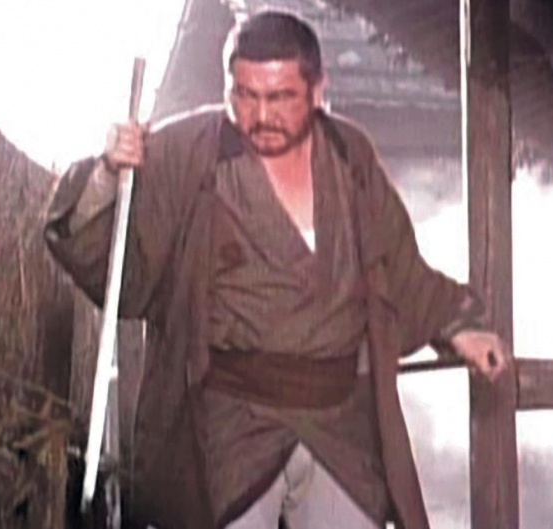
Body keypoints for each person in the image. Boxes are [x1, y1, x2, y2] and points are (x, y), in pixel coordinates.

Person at [45, 11, 509, 529]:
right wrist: (108, 173)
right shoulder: (187, 153)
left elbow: (398, 268)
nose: (261, 115)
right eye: (245, 96)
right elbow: (124, 274)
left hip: (338, 423)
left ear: (317, 91)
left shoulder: (348, 156)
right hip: (230, 426)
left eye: (280, 97)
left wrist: (456, 326)